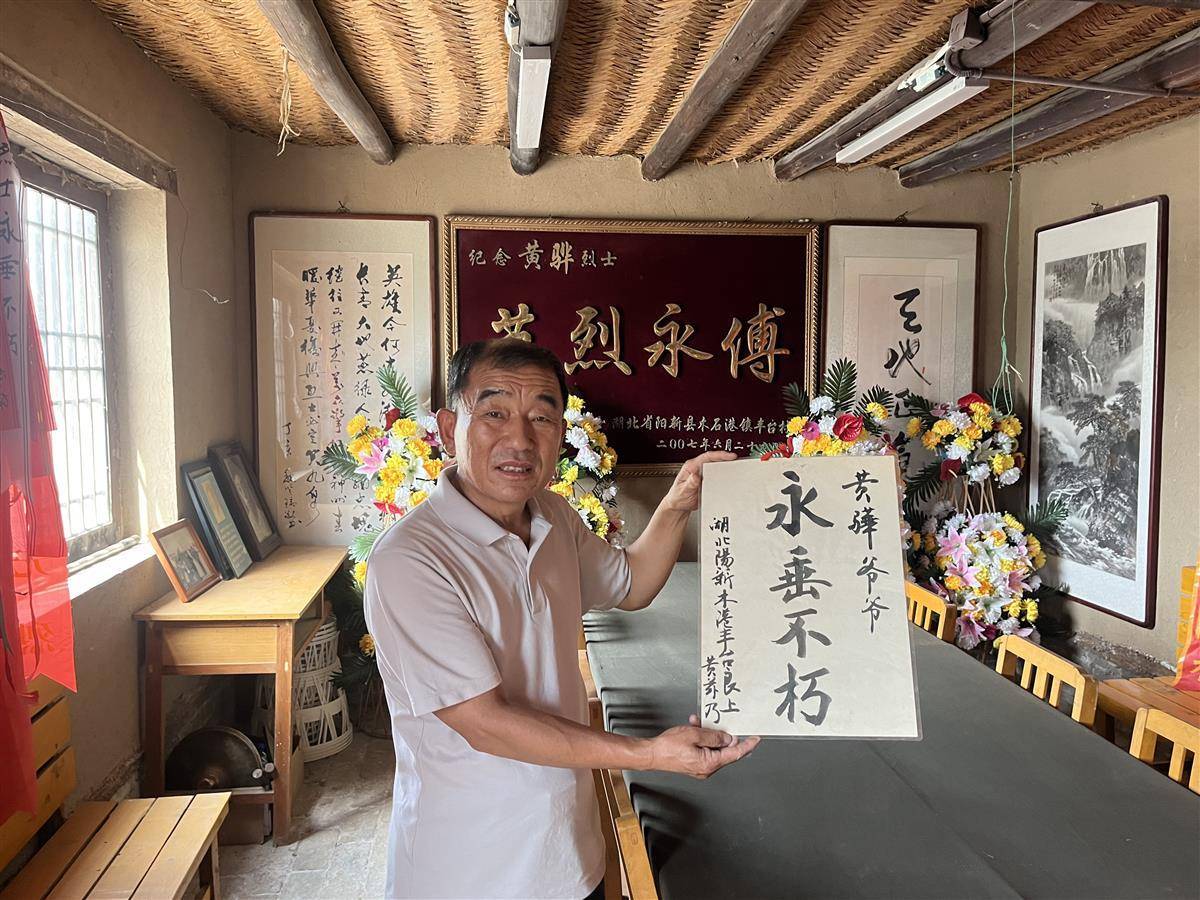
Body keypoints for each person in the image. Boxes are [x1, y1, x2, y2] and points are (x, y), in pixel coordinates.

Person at [364, 339, 760, 900]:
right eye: (495, 413)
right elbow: (485, 722)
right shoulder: (410, 559)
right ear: (450, 426)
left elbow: (631, 584)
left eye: (542, 417)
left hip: (567, 854)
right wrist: (649, 753)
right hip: (468, 869)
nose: (520, 439)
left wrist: (676, 504)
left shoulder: (552, 516)